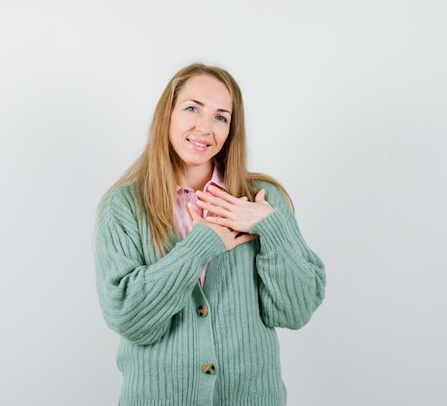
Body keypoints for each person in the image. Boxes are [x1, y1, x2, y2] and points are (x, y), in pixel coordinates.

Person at [94, 63, 326, 406]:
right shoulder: (124, 205)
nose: (205, 128)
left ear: (232, 129)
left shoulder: (262, 199)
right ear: (167, 115)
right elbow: (129, 318)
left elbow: (294, 311)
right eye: (192, 109)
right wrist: (199, 247)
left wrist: (273, 228)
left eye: (221, 117)